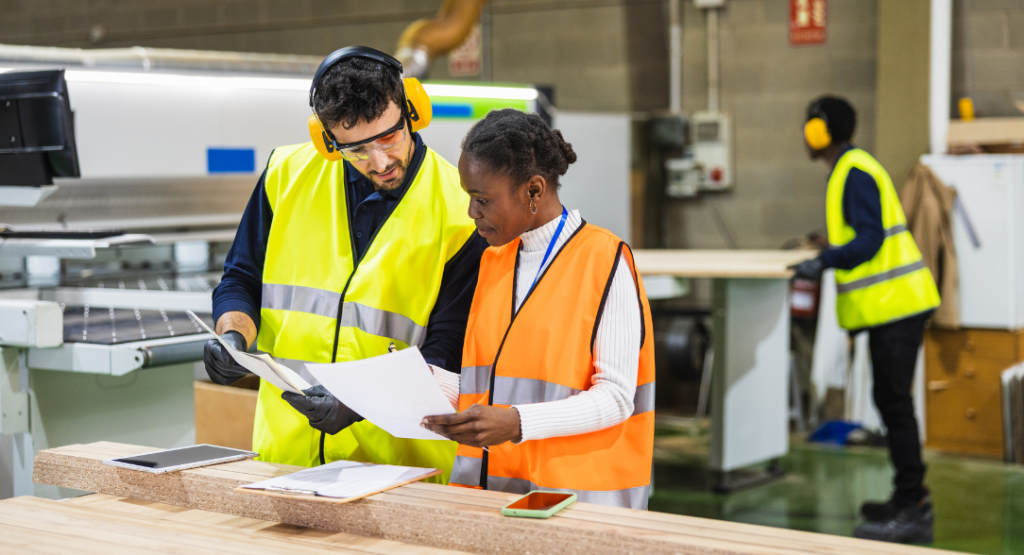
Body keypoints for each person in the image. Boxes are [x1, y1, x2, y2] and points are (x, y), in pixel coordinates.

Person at [203, 46, 488, 482]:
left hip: (399, 470)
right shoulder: (286, 174)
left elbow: (447, 353)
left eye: (389, 137)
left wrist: (357, 405)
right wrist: (232, 337)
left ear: (413, 111)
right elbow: (242, 278)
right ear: (327, 140)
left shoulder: (459, 210)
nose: (380, 161)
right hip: (286, 460)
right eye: (356, 149)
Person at [421, 109, 656, 510]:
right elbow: (497, 383)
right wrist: (424, 383)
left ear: (533, 190)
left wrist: (517, 423)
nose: (472, 213)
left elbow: (617, 397)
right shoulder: (494, 261)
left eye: (482, 200)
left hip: (577, 503)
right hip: (497, 495)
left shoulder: (604, 259)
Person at [790, 96, 940, 543]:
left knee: (895, 405)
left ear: (822, 130)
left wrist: (824, 260)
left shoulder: (854, 171)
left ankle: (913, 507)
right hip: (890, 308)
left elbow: (871, 239)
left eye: (810, 125)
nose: (805, 134)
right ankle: (907, 496)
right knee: (890, 402)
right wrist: (828, 251)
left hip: (898, 306)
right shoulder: (850, 169)